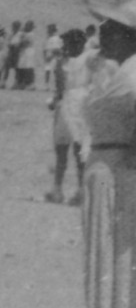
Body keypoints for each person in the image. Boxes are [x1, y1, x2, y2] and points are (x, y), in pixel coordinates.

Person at [66, 0, 136, 308]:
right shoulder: (118, 71)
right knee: (107, 258)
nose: (102, 33)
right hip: (106, 169)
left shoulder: (133, 74)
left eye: (112, 28)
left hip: (119, 173)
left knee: (115, 255)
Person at [48, 28, 89, 205]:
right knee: (78, 151)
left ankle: (58, 190)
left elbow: (59, 89)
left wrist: (53, 101)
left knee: (63, 150)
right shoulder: (89, 60)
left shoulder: (63, 63)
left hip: (69, 105)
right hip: (81, 104)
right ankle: (79, 190)